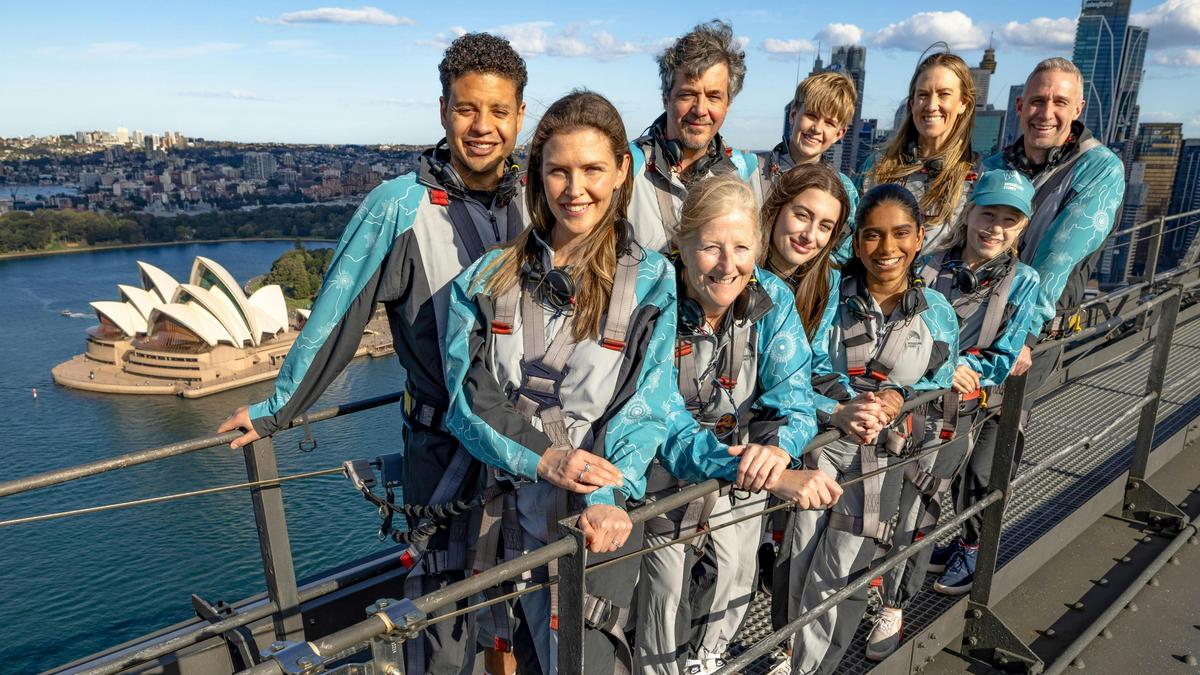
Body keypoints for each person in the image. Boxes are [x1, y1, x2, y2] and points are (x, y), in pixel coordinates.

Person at [216, 33, 528, 675]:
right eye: (468, 109)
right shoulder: (399, 209)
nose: (483, 126)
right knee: (443, 608)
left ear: (520, 116)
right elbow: (337, 315)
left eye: (499, 111)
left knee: (520, 595)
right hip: (444, 448)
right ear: (442, 109)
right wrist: (276, 410)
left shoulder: (539, 201)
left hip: (526, 439)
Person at [441, 90, 674, 675]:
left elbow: (641, 406)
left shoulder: (652, 281)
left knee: (590, 659)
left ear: (623, 170)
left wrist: (603, 495)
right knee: (520, 654)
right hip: (507, 513)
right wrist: (546, 459)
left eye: (593, 169)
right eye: (559, 171)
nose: (576, 189)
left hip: (594, 521)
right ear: (537, 177)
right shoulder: (488, 279)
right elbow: (467, 396)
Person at [635, 175, 841, 675]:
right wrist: (773, 472)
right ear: (682, 247)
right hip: (664, 477)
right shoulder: (651, 300)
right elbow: (660, 416)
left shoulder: (770, 299)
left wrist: (778, 449)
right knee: (663, 592)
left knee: (735, 573)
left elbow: (792, 393)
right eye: (710, 247)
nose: (729, 266)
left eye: (742, 247)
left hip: (744, 462)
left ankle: (708, 659)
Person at [866, 170, 1042, 660]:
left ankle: (894, 605)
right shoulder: (926, 264)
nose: (995, 228)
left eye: (1009, 220)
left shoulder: (1022, 283)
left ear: (1022, 228)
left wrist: (963, 366)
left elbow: (1005, 355)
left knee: (918, 507)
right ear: (969, 214)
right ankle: (858, 590)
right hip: (895, 402)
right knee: (871, 501)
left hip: (950, 416)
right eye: (988, 214)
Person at [787, 184, 958, 674]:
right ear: (856, 242)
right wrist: (845, 404)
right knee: (797, 561)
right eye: (873, 236)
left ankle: (811, 667)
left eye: (901, 234)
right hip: (823, 450)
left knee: (839, 569)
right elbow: (799, 371)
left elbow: (938, 378)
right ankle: (792, 651)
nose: (887, 249)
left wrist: (897, 397)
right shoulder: (827, 299)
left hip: (886, 461)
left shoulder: (936, 313)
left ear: (921, 237)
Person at [982, 57, 1125, 411]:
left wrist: (1022, 335)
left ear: (1078, 108)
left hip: (1035, 333)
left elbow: (1058, 258)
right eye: (1037, 101)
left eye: (1060, 102)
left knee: (992, 449)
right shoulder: (995, 165)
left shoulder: (1100, 168)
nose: (1045, 113)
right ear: (1020, 105)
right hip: (978, 319)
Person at [628, 19, 762, 253]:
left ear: (728, 103)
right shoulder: (627, 167)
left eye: (713, 96)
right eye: (688, 94)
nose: (700, 109)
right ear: (666, 99)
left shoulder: (745, 175)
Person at [860, 52, 979, 251]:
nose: (931, 106)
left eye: (944, 94)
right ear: (912, 103)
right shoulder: (877, 166)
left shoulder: (979, 177)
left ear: (963, 104)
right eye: (923, 95)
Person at [758, 72, 860, 264]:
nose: (817, 128)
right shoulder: (754, 170)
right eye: (811, 115)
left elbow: (840, 257)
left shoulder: (844, 190)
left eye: (829, 123)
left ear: (839, 134)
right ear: (794, 114)